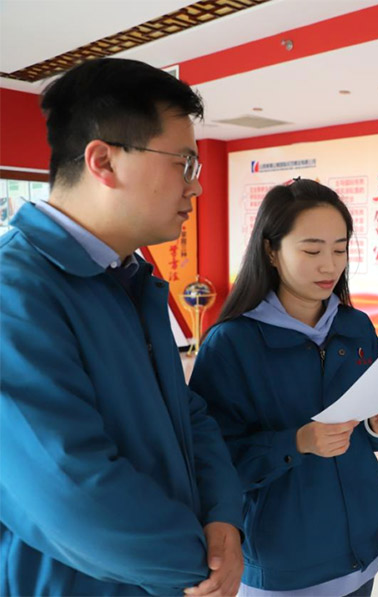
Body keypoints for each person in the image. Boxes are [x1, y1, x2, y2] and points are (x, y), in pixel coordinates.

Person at [0, 58, 243, 595]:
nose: (196, 188)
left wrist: (225, 519)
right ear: (104, 161)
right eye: (184, 164)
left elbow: (186, 413)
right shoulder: (15, 292)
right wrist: (202, 566)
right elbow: (70, 494)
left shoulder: (129, 276)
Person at [189, 179, 378, 597]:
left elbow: (375, 429)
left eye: (340, 249)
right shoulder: (233, 344)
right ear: (271, 251)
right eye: (312, 251)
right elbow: (212, 463)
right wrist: (298, 442)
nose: (329, 266)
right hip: (286, 562)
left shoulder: (355, 326)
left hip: (362, 548)